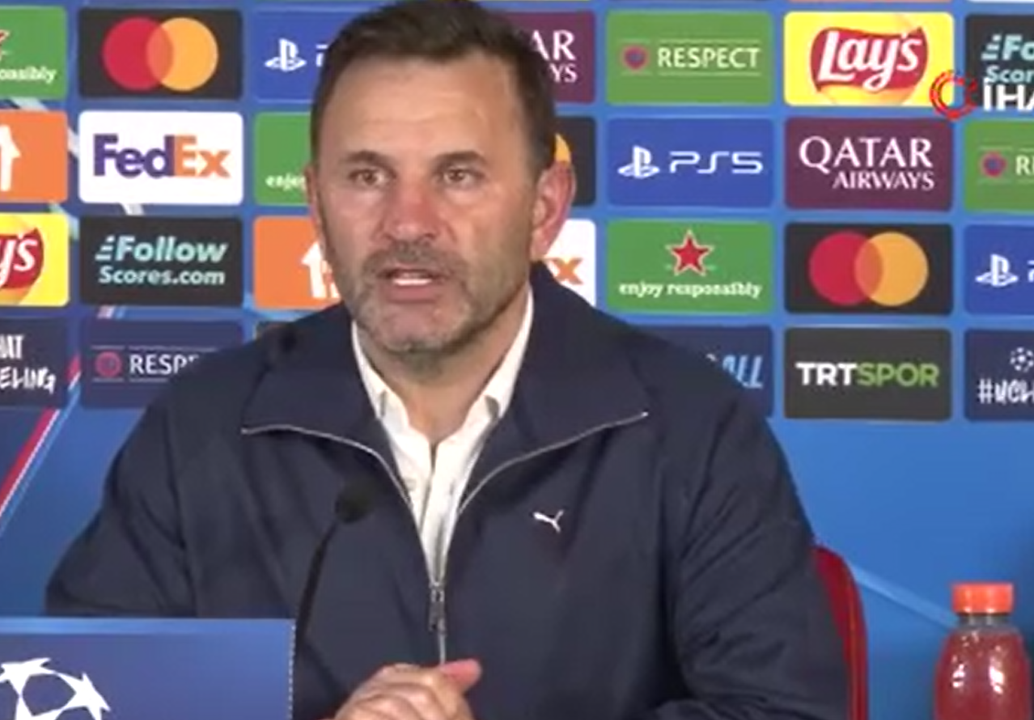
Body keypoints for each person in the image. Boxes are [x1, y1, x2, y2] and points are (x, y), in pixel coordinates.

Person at [45, 1, 849, 718]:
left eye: (458, 176)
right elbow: (83, 699)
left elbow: (780, 710)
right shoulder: (204, 425)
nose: (408, 222)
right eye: (367, 176)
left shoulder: (689, 425)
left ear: (544, 208)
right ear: (316, 204)